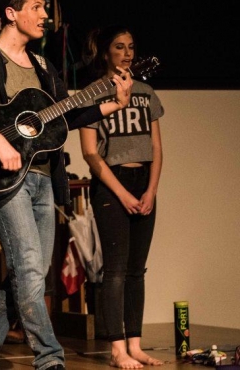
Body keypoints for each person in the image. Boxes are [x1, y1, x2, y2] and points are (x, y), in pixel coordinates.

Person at [0, 0, 133, 370]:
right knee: (28, 268)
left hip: (44, 177)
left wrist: (113, 104)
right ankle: (49, 357)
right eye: (37, 7)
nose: (46, 15)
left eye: (45, 7)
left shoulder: (43, 66)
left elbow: (65, 115)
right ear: (11, 14)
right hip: (5, 179)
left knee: (32, 274)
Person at [79, 25, 164, 369]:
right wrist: (122, 194)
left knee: (136, 271)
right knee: (114, 270)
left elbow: (156, 147)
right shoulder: (93, 93)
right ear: (105, 52)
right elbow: (89, 153)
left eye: (131, 47)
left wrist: (151, 190)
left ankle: (135, 345)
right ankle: (117, 349)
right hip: (112, 183)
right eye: (119, 47)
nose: (127, 53)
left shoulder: (145, 92)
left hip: (143, 183)